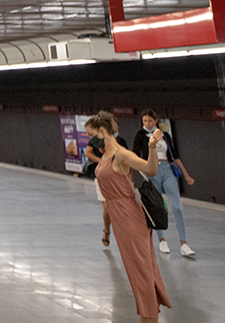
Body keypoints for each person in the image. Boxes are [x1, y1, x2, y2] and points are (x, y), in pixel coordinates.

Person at [89, 110, 170, 323]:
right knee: (137, 274)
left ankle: (149, 318)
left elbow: (150, 169)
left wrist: (151, 147)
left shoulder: (121, 154)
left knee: (141, 274)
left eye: (91, 134)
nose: (90, 139)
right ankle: (148, 316)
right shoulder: (106, 155)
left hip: (129, 217)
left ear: (102, 131)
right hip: (120, 219)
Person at [132, 109, 196, 257]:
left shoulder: (165, 135)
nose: (147, 123)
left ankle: (184, 243)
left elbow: (175, 156)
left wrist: (186, 175)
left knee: (177, 207)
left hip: (167, 170)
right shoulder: (140, 136)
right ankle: (161, 240)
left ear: (156, 121)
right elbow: (135, 156)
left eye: (150, 121)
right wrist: (143, 171)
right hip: (152, 171)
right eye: (145, 121)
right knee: (157, 206)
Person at [84, 118, 128, 247]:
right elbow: (88, 153)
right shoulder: (96, 140)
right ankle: (107, 230)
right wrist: (102, 161)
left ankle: (123, 234)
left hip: (117, 177)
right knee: (107, 208)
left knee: (121, 208)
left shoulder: (121, 142)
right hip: (102, 176)